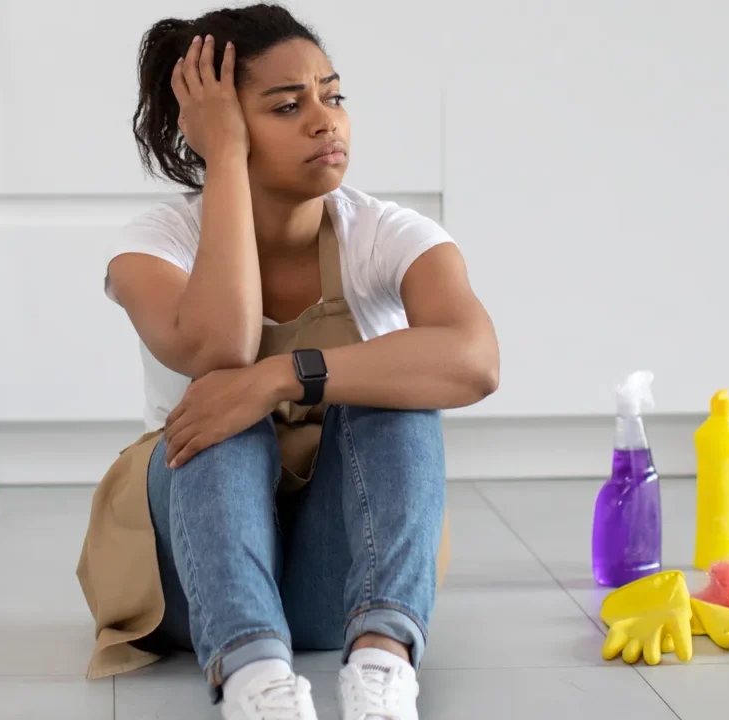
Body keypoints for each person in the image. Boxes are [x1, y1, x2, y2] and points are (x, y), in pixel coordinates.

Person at [76, 4, 499, 720]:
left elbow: (475, 360)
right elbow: (221, 348)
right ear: (219, 128)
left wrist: (285, 374)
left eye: (332, 95)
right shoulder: (153, 244)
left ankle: (381, 669)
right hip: (190, 574)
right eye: (286, 105)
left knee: (390, 391)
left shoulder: (389, 235)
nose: (324, 120)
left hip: (335, 578)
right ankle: (255, 682)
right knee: (219, 404)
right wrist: (225, 167)